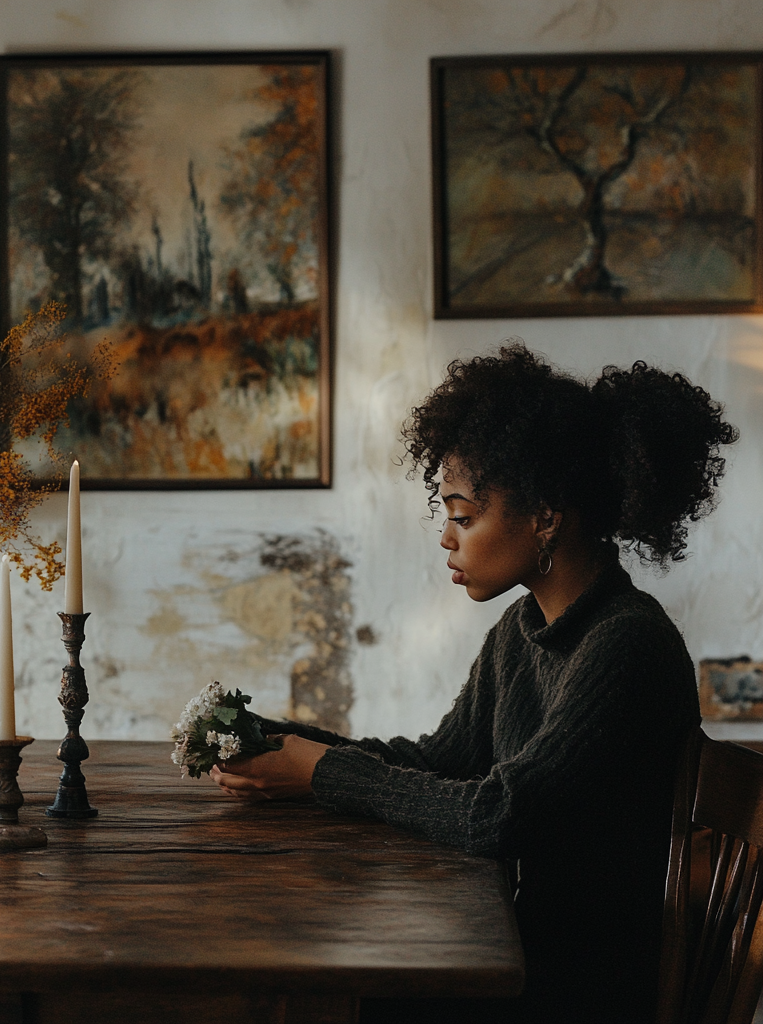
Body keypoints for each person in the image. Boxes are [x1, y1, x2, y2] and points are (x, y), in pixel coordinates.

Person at [210, 343, 738, 1024]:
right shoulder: (524, 629)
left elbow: (499, 814)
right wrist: (281, 741)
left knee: (315, 986)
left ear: (545, 517)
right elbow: (441, 761)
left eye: (462, 515)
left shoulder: (626, 643)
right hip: (527, 952)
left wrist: (321, 774)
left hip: (586, 988)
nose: (446, 538)